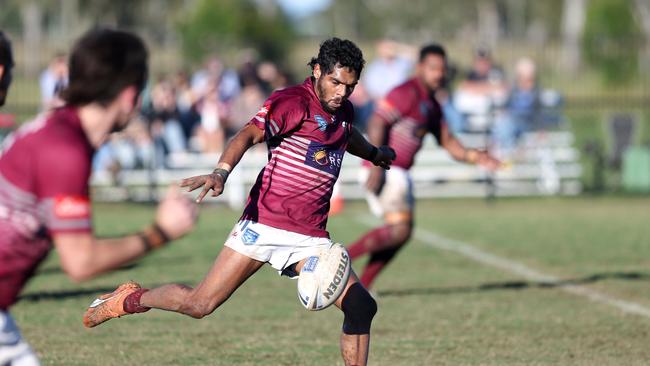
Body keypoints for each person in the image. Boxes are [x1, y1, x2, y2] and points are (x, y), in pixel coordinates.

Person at [83, 37, 395, 366]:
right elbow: (247, 134)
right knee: (199, 305)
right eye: (335, 82)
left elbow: (346, 135)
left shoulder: (343, 110)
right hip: (264, 224)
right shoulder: (292, 102)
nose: (342, 93)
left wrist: (374, 153)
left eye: (350, 86)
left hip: (310, 237)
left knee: (361, 306)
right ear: (317, 70)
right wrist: (221, 172)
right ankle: (129, 299)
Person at [0, 29, 198, 366]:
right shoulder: (65, 149)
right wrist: (160, 232)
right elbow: (80, 263)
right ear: (132, 95)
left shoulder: (58, 129)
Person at [346, 44, 501, 290]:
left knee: (400, 235)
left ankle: (361, 286)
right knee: (400, 230)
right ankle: (340, 261)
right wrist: (376, 164)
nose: (439, 73)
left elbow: (448, 142)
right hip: (386, 167)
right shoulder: (406, 92)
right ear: (420, 68)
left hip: (399, 171)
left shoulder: (433, 106)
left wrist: (475, 156)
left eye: (442, 69)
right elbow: (377, 122)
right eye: (433, 68)